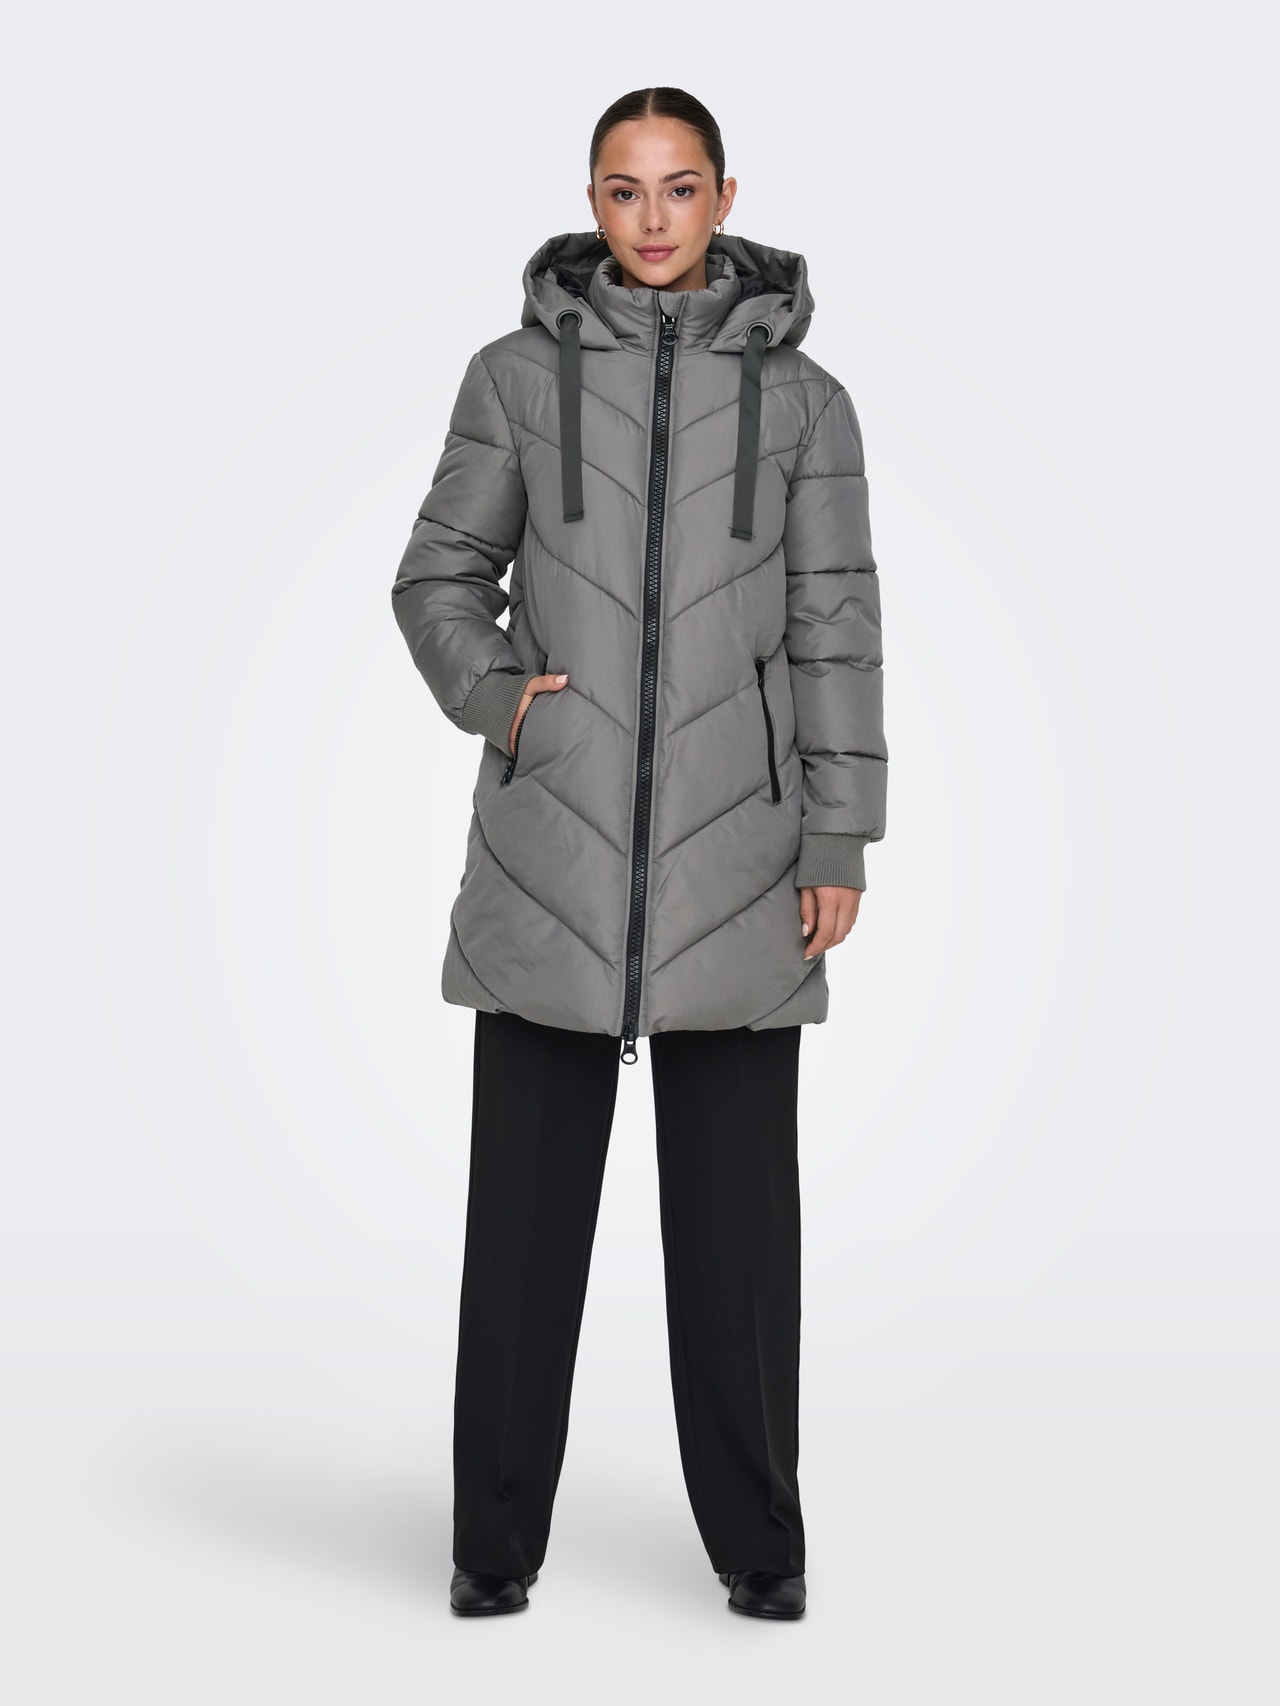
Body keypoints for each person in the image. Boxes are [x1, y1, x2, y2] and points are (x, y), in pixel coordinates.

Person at [391, 86, 887, 1621]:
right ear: (591, 199)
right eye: (624, 188)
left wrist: (840, 831)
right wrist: (503, 702)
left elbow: (835, 628)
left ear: (726, 196)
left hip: (742, 854)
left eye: (680, 187)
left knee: (740, 1235)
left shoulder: (804, 406)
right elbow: (438, 575)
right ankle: (493, 1542)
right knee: (521, 1232)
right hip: (553, 848)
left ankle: (760, 1538)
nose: (653, 217)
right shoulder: (515, 379)